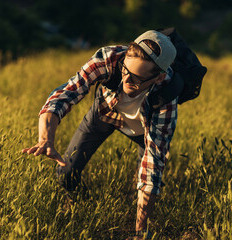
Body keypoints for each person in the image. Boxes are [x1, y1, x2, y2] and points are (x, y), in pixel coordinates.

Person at [22, 30, 177, 239]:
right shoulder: (109, 59)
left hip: (144, 130)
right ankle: (86, 204)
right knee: (65, 174)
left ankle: (138, 218)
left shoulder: (166, 95)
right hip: (104, 114)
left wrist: (141, 233)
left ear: (158, 77)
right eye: (125, 71)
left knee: (144, 183)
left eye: (137, 78)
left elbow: (152, 167)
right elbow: (67, 93)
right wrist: (45, 138)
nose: (126, 80)